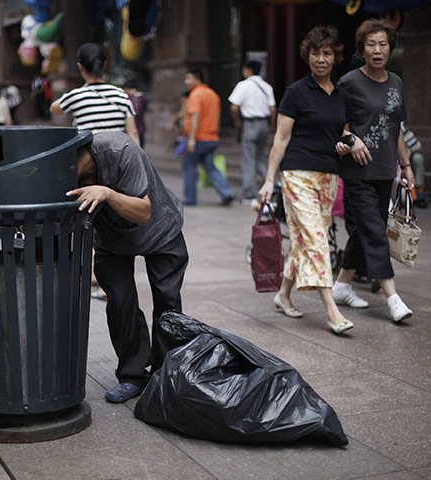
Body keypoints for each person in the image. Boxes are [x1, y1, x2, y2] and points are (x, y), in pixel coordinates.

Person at [67, 131, 188, 404]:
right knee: (120, 302)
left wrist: (107, 193)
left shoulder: (119, 149)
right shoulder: (63, 172)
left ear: (75, 154)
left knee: (167, 302)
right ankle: (132, 375)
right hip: (111, 239)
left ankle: (165, 372)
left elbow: (143, 212)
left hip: (160, 228)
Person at [258, 26, 353, 335]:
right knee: (316, 240)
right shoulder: (295, 92)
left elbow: (343, 132)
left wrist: (350, 143)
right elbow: (281, 139)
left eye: (327, 53)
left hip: (328, 174)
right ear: (307, 56)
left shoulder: (342, 95)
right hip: (297, 173)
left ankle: (283, 294)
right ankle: (332, 311)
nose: (320, 59)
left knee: (304, 238)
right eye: (315, 53)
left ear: (335, 57)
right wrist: (269, 179)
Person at [333, 18, 414, 323]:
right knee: (375, 232)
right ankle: (393, 297)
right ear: (361, 49)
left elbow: (398, 129)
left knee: (365, 231)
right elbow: (338, 125)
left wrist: (405, 166)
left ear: (390, 48)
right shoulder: (349, 82)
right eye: (371, 44)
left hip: (385, 170)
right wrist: (350, 141)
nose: (377, 50)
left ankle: (341, 285)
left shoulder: (396, 82)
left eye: (383, 44)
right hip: (357, 171)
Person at [51, 43, 140, 145]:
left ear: (80, 67)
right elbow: (133, 132)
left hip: (89, 156)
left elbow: (54, 108)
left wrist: (83, 88)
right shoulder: (121, 95)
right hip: (118, 156)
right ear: (105, 65)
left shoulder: (76, 96)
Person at [182, 68, 235, 206]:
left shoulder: (195, 95)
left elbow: (195, 116)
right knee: (210, 167)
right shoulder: (213, 94)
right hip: (212, 137)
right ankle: (226, 192)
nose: (186, 82)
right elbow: (216, 117)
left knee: (189, 167)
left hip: (198, 138)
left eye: (188, 78)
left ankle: (190, 198)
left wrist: (192, 139)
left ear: (197, 79)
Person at [229, 60, 277, 203]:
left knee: (248, 159)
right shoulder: (266, 86)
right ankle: (272, 186)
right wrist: (272, 125)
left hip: (250, 124)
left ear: (248, 70)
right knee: (258, 157)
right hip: (264, 123)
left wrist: (237, 121)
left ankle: (249, 193)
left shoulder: (243, 85)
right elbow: (273, 109)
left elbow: (233, 107)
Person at [401, 122, 427, 208]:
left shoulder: (401, 128)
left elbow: (418, 147)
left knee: (418, 158)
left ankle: (419, 195)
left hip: (405, 161)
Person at [125, 82, 147, 148]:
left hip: (130, 129)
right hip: (141, 128)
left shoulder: (127, 97)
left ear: (126, 89)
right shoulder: (143, 97)